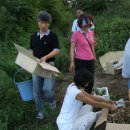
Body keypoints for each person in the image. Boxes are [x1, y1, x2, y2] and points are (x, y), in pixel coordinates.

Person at [29, 11, 60, 119]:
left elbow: (56, 50)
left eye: (46, 23)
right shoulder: (33, 36)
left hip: (49, 64)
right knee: (36, 90)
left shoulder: (52, 36)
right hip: (36, 65)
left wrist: (46, 57)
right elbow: (31, 50)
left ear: (49, 23)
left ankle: (51, 102)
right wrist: (31, 57)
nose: (43, 25)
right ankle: (40, 111)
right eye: (41, 22)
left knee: (48, 89)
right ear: (38, 22)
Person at [69, 14, 96, 94]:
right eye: (85, 25)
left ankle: (88, 98)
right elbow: (72, 48)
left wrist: (94, 56)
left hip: (91, 60)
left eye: (88, 25)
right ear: (80, 24)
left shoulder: (90, 33)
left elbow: (92, 45)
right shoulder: (76, 34)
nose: (86, 27)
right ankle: (80, 97)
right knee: (81, 81)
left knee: (91, 81)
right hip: (80, 61)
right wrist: (72, 61)